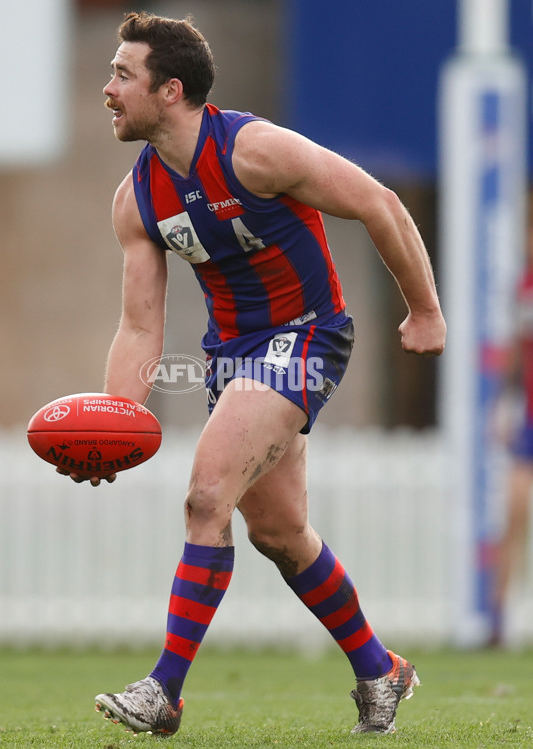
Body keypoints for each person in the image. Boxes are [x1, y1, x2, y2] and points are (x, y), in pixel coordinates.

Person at [65, 10, 446, 736]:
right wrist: (114, 422)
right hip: (234, 356)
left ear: (170, 89)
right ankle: (380, 668)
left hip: (307, 337)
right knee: (280, 532)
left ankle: (164, 690)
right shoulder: (136, 199)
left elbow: (379, 203)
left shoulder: (255, 150)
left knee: (207, 494)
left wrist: (424, 310)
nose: (107, 88)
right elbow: (140, 326)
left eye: (122, 74)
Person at [491, 191, 533, 646]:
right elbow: (514, 357)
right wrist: (501, 405)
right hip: (529, 419)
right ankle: (498, 625)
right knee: (514, 513)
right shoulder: (522, 285)